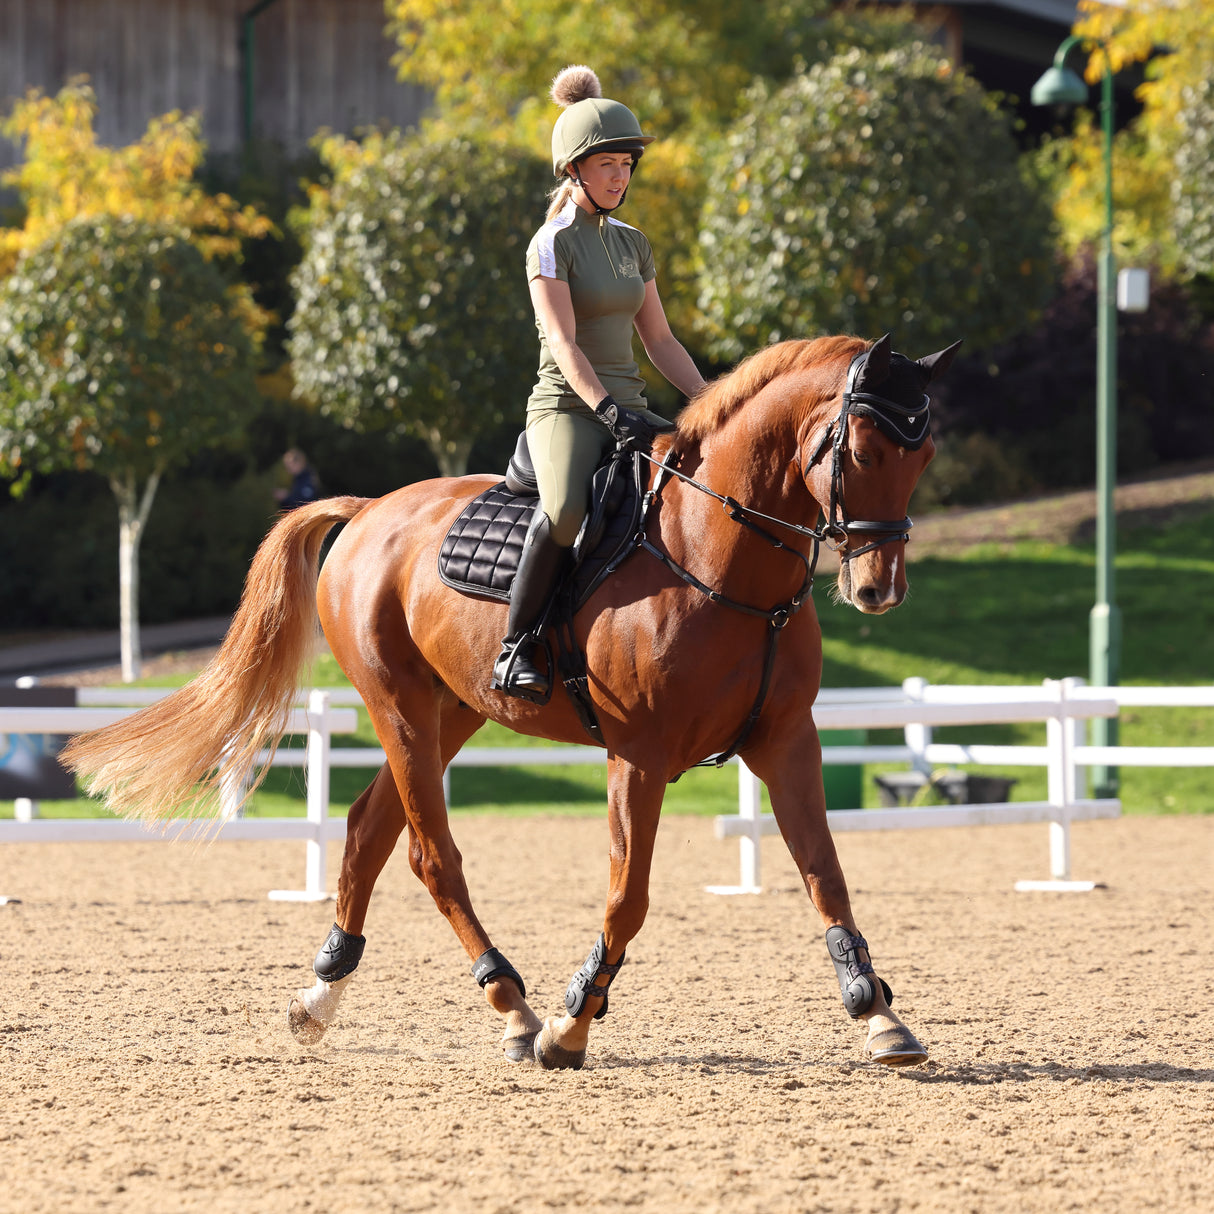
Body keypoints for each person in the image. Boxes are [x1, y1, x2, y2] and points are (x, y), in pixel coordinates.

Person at [491, 65, 706, 701]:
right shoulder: (550, 245)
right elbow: (562, 342)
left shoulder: (635, 244)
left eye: (627, 164)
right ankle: (515, 646)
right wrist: (608, 411)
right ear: (575, 170)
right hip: (567, 409)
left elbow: (660, 341)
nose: (621, 175)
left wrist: (712, 401)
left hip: (631, 407)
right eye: (608, 163)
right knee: (563, 513)